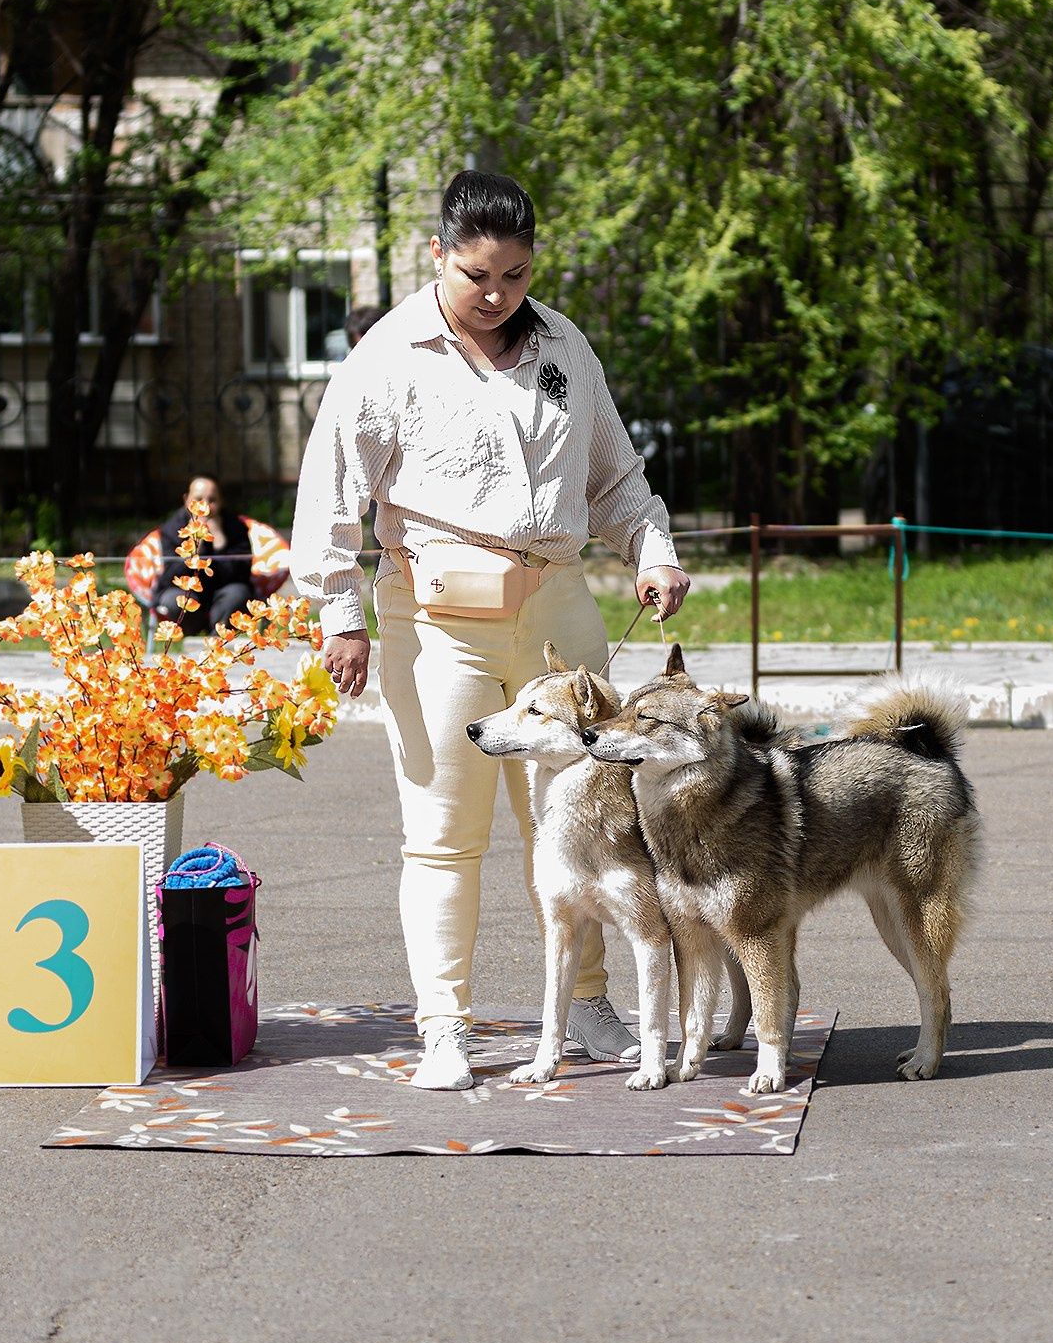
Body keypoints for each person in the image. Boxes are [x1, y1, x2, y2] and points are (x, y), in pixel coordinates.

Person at [289, 170, 690, 1090]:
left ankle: (587, 1003)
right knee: (444, 830)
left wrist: (652, 550)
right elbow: (330, 500)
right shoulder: (387, 357)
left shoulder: (564, 346)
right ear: (437, 255)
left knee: (588, 819)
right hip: (436, 620)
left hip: (558, 607)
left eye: (515, 273)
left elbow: (617, 477)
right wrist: (341, 615)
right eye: (477, 274)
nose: (498, 293)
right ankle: (444, 1026)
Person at [154, 475, 254, 634]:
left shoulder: (236, 527)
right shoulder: (172, 528)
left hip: (221, 594)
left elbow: (241, 574)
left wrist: (220, 541)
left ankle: (216, 642)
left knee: (238, 593)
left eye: (212, 500)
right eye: (198, 499)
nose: (205, 506)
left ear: (221, 501)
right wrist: (195, 546)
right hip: (187, 593)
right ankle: (190, 640)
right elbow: (170, 575)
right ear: (187, 500)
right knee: (173, 600)